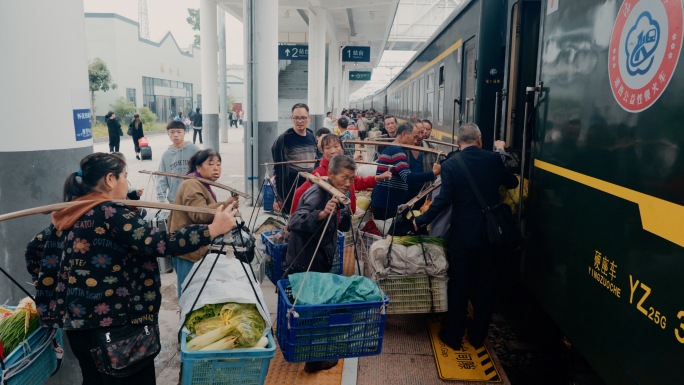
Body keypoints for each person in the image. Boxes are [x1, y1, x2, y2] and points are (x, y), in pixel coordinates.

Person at [24, 152, 238, 385]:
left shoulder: (69, 212)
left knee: (94, 380)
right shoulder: (109, 212)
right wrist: (211, 230)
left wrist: (57, 288)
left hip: (79, 328)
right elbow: (157, 242)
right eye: (125, 176)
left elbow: (34, 250)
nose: (127, 182)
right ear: (109, 180)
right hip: (118, 329)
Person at [413, 123, 518, 350]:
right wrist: (502, 153)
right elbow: (513, 182)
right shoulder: (493, 159)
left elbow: (443, 200)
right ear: (479, 139)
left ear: (459, 143)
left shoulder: (451, 164)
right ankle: (478, 336)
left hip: (462, 235)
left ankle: (453, 335)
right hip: (491, 235)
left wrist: (421, 220)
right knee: (486, 286)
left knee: (459, 284)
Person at [285, 154, 357, 373]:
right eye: (344, 178)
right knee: (312, 312)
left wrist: (341, 213)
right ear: (331, 174)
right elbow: (295, 221)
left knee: (312, 309)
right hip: (307, 261)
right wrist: (321, 214)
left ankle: (309, 355)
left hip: (317, 259)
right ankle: (313, 362)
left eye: (352, 179)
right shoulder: (318, 194)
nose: (348, 183)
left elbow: (340, 225)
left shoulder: (334, 194)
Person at [167, 149, 239, 299]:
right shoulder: (192, 184)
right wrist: (224, 205)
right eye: (210, 164)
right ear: (198, 168)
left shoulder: (201, 184)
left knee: (196, 292)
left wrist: (226, 205)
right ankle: (185, 322)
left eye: (219, 164)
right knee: (189, 293)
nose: (216, 168)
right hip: (187, 249)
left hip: (194, 247)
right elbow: (199, 214)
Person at [290, 134, 391, 215]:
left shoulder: (344, 166)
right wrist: (296, 218)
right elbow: (300, 193)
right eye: (328, 148)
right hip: (330, 217)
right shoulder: (319, 172)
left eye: (336, 146)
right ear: (323, 152)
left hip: (347, 213)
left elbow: (357, 182)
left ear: (342, 148)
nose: (333, 151)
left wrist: (378, 178)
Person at [370, 122, 440, 220]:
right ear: (404, 134)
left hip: (384, 201)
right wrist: (432, 174)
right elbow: (407, 176)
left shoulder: (391, 148)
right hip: (387, 203)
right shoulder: (397, 151)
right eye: (414, 136)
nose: (414, 140)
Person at [270, 103, 318, 213]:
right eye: (296, 118)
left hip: (309, 187)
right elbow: (277, 171)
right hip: (291, 189)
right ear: (292, 118)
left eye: (303, 118)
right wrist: (278, 198)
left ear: (309, 118)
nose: (299, 121)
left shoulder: (312, 137)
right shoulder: (283, 140)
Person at [156, 121, 201, 204]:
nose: (175, 135)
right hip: (175, 199)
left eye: (179, 132)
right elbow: (162, 178)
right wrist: (161, 197)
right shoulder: (166, 155)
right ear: (168, 134)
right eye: (172, 132)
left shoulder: (195, 150)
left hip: (194, 197)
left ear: (184, 132)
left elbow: (203, 171)